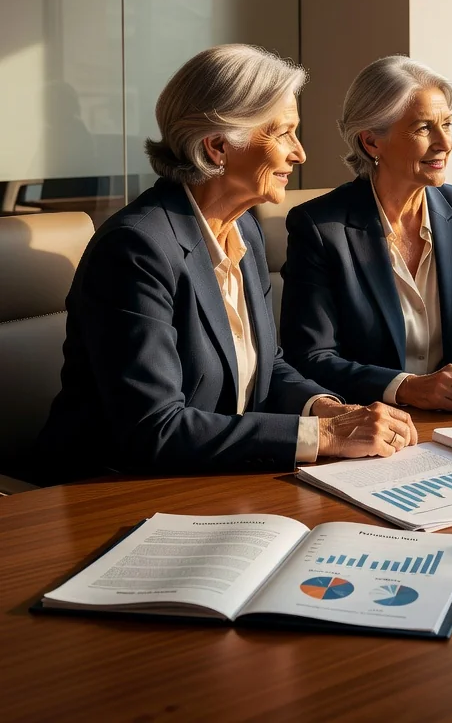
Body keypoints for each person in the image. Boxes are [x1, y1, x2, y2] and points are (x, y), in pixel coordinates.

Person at [35, 45, 417, 484]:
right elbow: (154, 429)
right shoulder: (135, 249)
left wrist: (328, 409)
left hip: (216, 481)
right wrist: (323, 434)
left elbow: (267, 366)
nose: (300, 154)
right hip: (110, 493)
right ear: (218, 146)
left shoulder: (244, 231)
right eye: (283, 134)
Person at [281, 55, 452, 412]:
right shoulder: (320, 228)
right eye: (424, 128)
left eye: (447, 124)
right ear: (371, 143)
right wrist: (407, 388)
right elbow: (309, 357)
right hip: (366, 427)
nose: (445, 143)